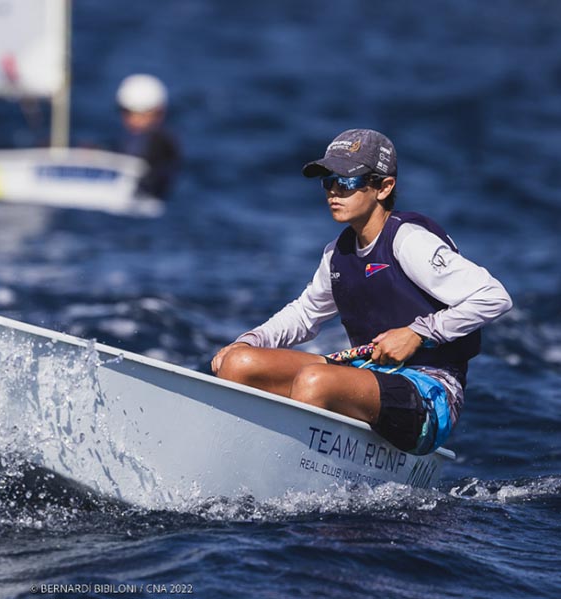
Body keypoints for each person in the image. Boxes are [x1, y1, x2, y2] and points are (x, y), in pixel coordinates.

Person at [211, 129, 512, 455]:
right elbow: (304, 314)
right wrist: (250, 340)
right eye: (328, 181)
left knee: (315, 381)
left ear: (384, 187)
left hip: (431, 391)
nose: (334, 192)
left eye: (348, 182)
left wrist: (418, 332)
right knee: (239, 363)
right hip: (368, 377)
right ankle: (238, 457)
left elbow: (494, 296)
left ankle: (283, 471)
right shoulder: (336, 253)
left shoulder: (409, 241)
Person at [115, 74, 180, 199]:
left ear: (159, 113)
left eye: (142, 114)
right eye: (128, 113)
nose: (134, 120)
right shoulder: (124, 139)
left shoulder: (162, 141)